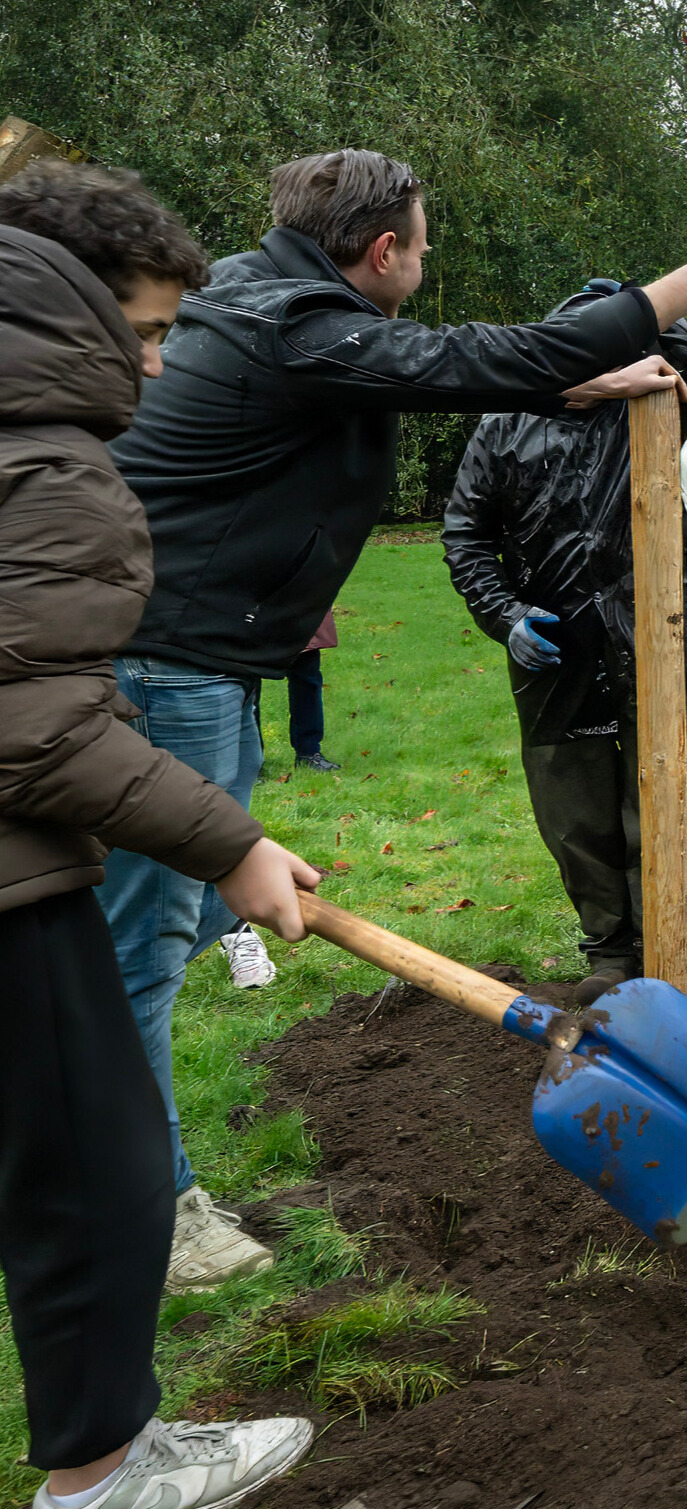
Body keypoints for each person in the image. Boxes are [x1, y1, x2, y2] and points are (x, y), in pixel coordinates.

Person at [98, 147, 687, 1288]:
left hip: (179, 656)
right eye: (422, 243)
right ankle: (148, 1212)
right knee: (142, 952)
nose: (426, 260)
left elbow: (448, 375)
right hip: (168, 662)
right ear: (380, 253)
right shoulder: (298, 326)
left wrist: (578, 388)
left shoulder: (268, 306)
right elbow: (477, 358)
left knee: (160, 930)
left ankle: (107, 1151)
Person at [0, 159, 326, 1509]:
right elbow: (38, 724)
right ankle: (103, 1480)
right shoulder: (46, 453)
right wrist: (232, 846)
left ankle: (113, 1452)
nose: (157, 362)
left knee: (71, 1173)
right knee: (103, 1181)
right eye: (145, 330)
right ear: (73, 309)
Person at [445, 283, 687, 1000]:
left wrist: (636, 309)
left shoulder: (660, 399)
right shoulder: (507, 420)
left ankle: (683, 949)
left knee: (678, 806)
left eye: (607, 336)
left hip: (659, 635)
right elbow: (466, 530)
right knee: (574, 811)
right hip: (555, 644)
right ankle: (611, 953)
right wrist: (504, 615)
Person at [287, 612, 341, 773]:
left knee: (306, 678)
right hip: (253, 605)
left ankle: (308, 753)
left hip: (300, 607)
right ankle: (249, 763)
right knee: (248, 684)